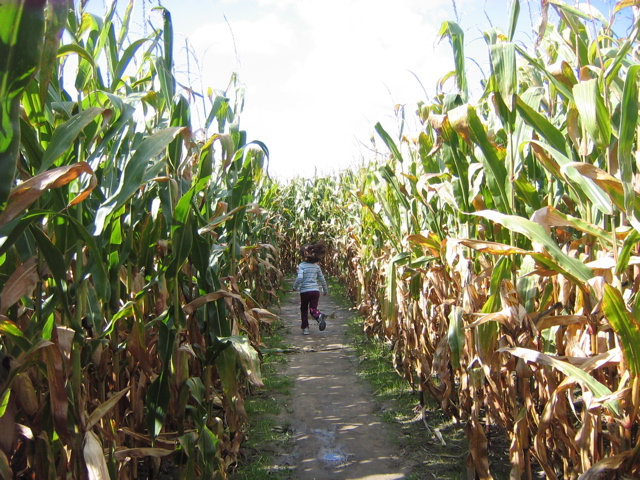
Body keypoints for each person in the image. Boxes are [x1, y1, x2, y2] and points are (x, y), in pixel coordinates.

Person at [292, 241, 328, 335]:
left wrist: (295, 287)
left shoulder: (302, 266)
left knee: (304, 309)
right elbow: (322, 279)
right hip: (315, 291)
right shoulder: (316, 266)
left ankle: (305, 328)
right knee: (313, 308)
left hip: (305, 291)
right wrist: (325, 290)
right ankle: (318, 316)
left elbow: (299, 278)